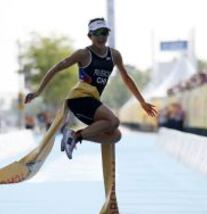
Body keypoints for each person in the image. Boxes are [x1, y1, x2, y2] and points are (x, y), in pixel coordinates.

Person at [24, 17, 157, 159]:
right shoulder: (83, 54)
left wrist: (142, 102)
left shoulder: (115, 55)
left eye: (104, 32)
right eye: (97, 33)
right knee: (114, 122)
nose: (101, 37)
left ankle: (76, 137)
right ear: (90, 36)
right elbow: (57, 67)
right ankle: (74, 136)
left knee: (115, 135)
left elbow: (126, 78)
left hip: (92, 102)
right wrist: (39, 91)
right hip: (78, 99)